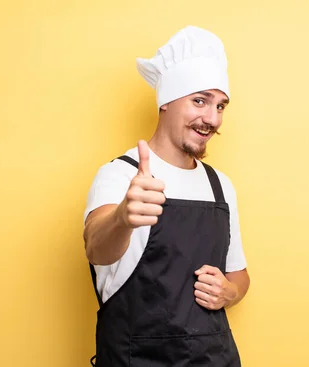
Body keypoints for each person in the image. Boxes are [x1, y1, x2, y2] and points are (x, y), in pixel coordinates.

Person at [83, 25, 250, 367]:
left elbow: (239, 275)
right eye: (200, 101)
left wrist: (229, 293)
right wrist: (122, 218)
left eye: (220, 106)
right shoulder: (121, 174)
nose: (211, 118)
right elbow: (96, 248)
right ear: (166, 102)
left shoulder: (221, 186)